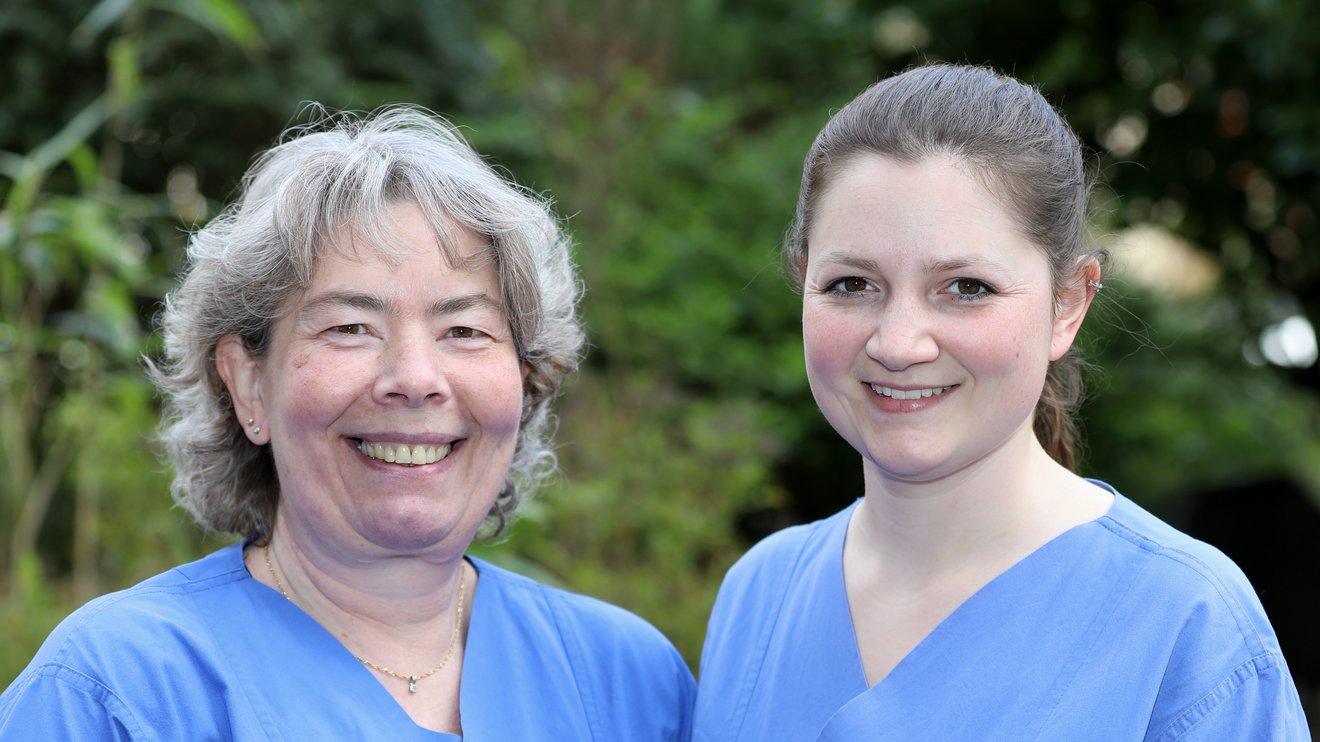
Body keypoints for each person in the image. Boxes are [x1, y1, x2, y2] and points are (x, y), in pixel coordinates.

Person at [0, 106, 695, 739]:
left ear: (527, 377)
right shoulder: (117, 694)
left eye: (464, 330)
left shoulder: (631, 685)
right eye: (350, 327)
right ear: (247, 383)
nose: (415, 378)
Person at [693, 64, 1309, 740]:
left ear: (1068, 304)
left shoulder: (1187, 627)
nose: (898, 344)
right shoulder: (760, 596)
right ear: (804, 282)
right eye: (851, 284)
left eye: (967, 287)